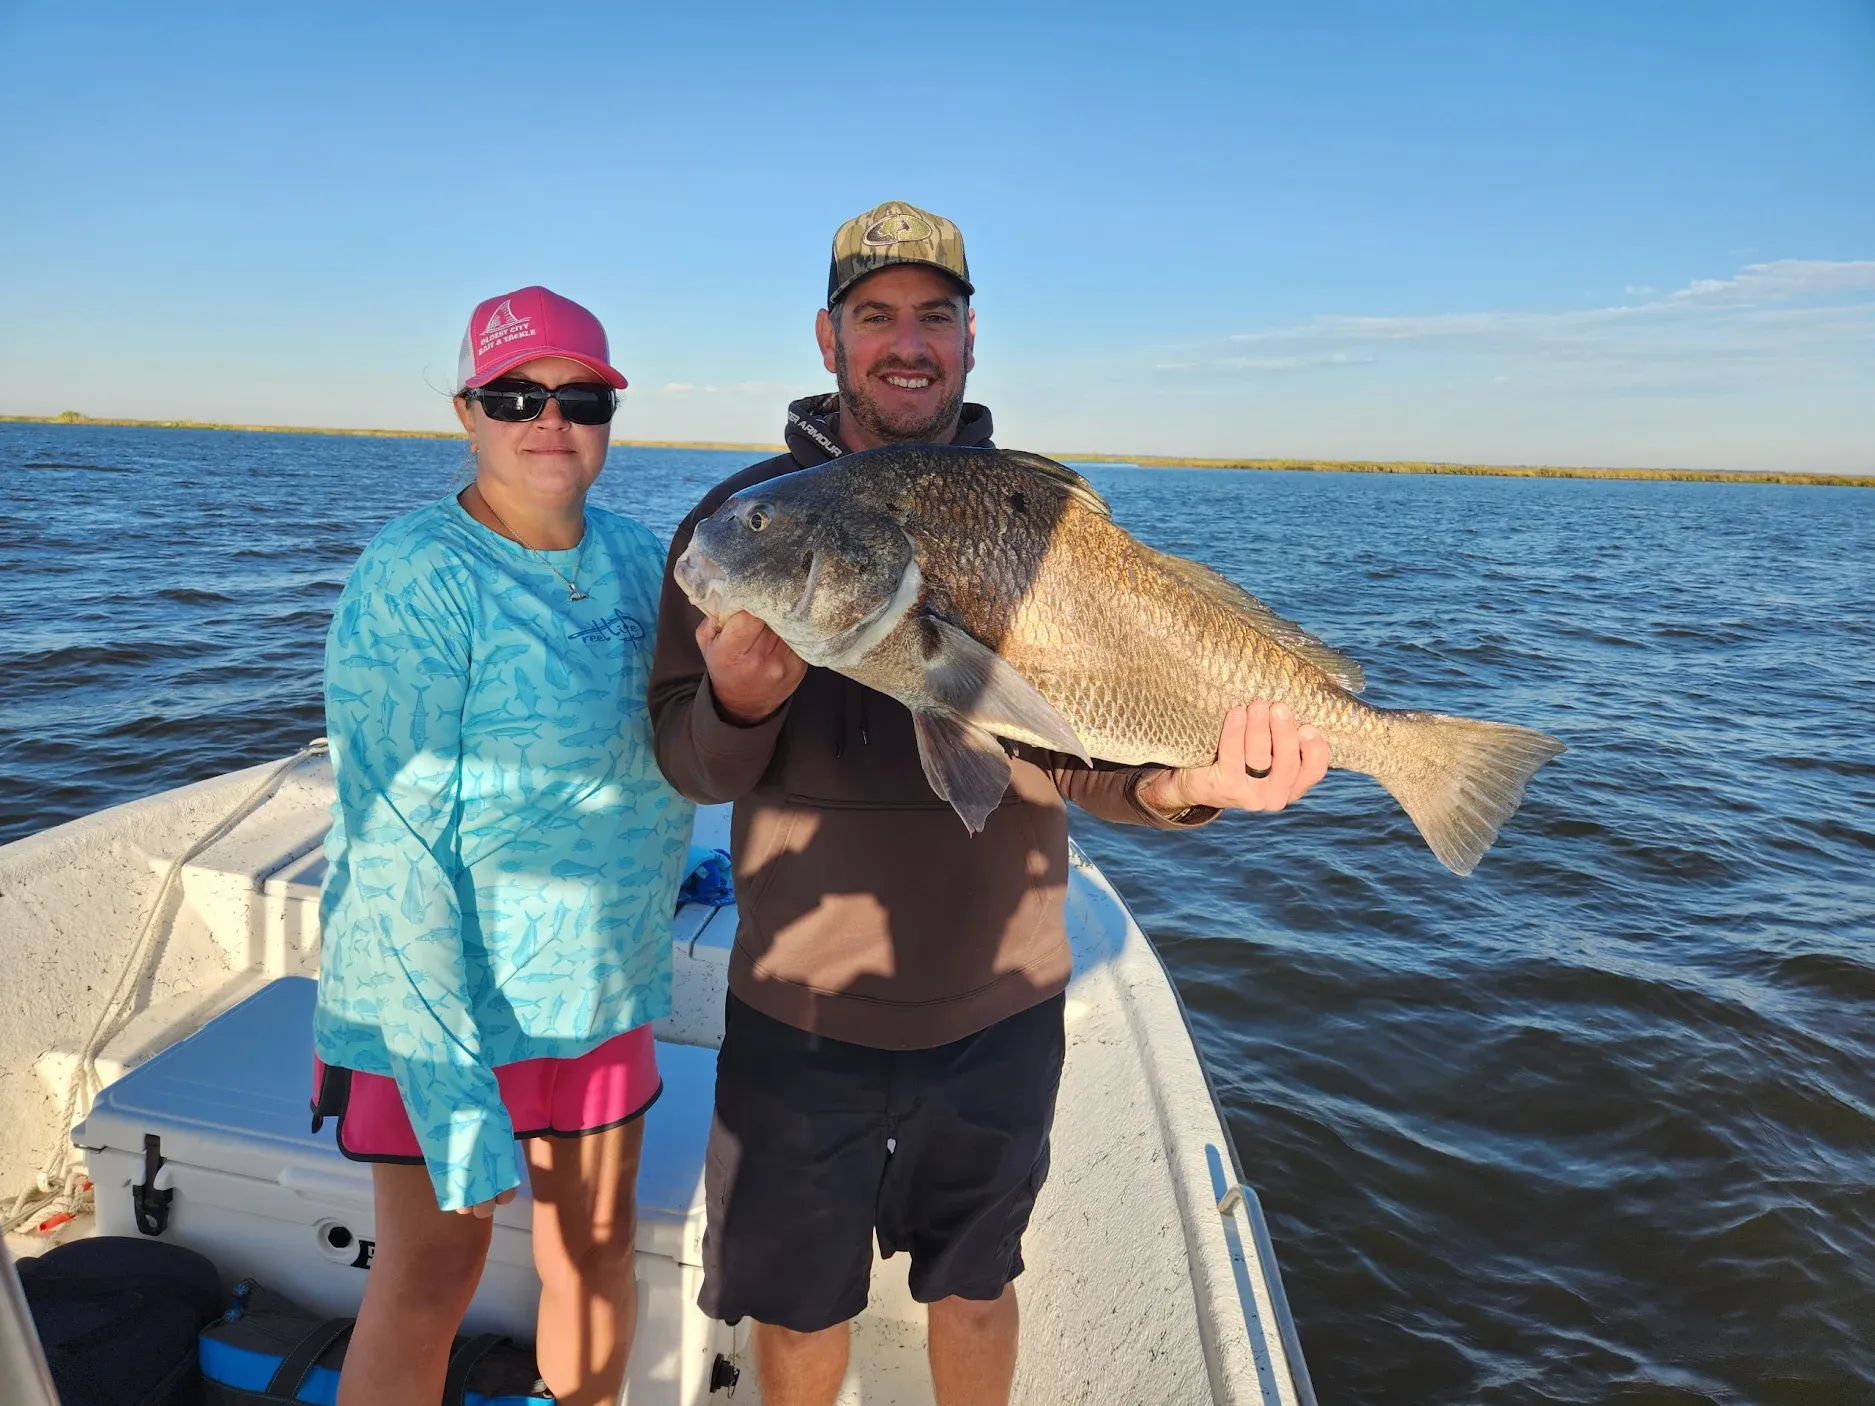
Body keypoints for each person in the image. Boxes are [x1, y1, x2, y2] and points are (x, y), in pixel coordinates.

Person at [648, 202, 1330, 1405]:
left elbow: (1070, 753)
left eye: (934, 316)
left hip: (1001, 1009)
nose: (905, 342)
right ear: (827, 337)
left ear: (970, 339)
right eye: (875, 317)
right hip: (796, 1008)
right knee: (797, 1305)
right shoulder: (742, 523)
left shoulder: (1040, 515)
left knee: (974, 1285)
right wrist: (738, 705)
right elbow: (691, 769)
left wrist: (1190, 785)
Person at [312, 286, 694, 1406]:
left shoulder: (646, 560)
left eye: (581, 397)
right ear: (467, 411)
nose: (550, 419)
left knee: (595, 1254)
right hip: (443, 1004)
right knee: (431, 1277)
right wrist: (451, 1086)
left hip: (601, 990)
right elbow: (393, 840)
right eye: (516, 393)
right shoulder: (414, 573)